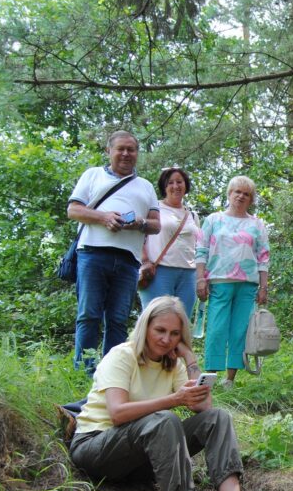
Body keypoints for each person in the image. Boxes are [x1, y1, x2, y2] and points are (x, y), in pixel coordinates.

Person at [69, 296, 277, 491]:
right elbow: (117, 413)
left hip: (138, 458)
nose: (166, 339)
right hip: (97, 447)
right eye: (160, 330)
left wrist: (189, 358)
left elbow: (205, 408)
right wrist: (173, 400)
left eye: (175, 333)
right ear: (146, 327)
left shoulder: (173, 363)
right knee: (165, 419)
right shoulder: (123, 355)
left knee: (218, 417)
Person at [67, 130, 160, 373]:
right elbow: (74, 210)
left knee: (118, 320)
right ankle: (84, 372)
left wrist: (138, 223)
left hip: (129, 261)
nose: (126, 154)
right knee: (89, 314)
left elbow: (156, 225)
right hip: (92, 253)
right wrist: (104, 217)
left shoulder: (146, 186)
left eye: (131, 149)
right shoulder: (92, 175)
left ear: (137, 154)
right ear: (109, 151)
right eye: (121, 148)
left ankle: (111, 374)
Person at [195, 176, 269, 389]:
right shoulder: (213, 220)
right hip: (219, 280)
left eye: (246, 194)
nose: (241, 196)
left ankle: (230, 379)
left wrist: (263, 286)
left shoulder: (257, 224)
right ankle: (210, 376)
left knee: (240, 331)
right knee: (217, 328)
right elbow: (201, 250)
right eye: (237, 191)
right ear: (229, 194)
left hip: (247, 283)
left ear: (251, 199)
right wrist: (201, 279)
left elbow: (263, 256)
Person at [139, 167, 202, 317]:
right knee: (155, 319)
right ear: (164, 187)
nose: (175, 186)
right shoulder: (154, 209)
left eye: (179, 182)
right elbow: (139, 236)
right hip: (159, 271)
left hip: (188, 274)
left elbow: (199, 246)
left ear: (185, 185)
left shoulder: (192, 215)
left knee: (182, 322)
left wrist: (201, 276)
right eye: (170, 183)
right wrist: (145, 260)